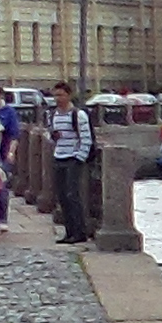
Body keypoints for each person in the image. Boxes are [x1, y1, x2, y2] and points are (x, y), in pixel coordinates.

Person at [49, 94, 99, 244]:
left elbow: (86, 138)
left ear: (68, 96)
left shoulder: (78, 114)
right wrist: (53, 136)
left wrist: (80, 158)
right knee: (62, 196)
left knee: (73, 195)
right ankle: (69, 231)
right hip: (59, 156)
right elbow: (50, 133)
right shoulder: (54, 114)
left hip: (73, 158)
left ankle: (80, 231)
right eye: (56, 95)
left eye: (61, 95)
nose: (58, 98)